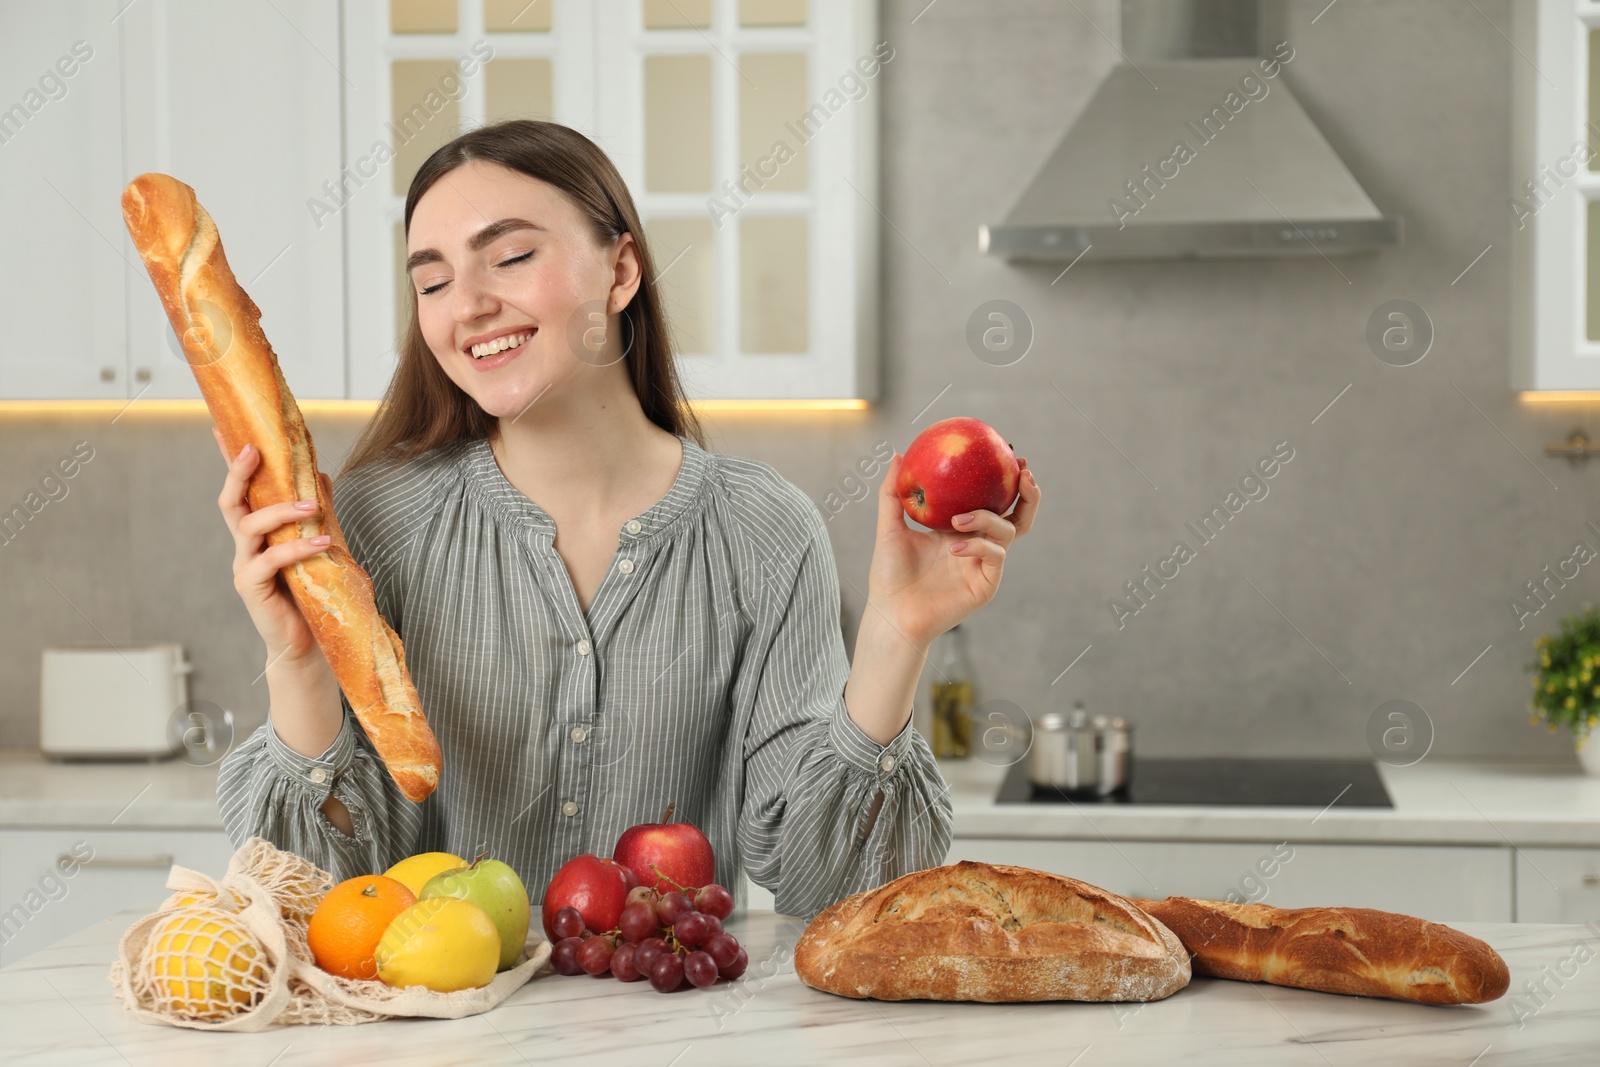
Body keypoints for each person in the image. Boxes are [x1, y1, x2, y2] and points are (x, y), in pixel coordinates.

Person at [214, 120, 1041, 919]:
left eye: (508, 256)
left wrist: (897, 636)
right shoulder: (374, 523)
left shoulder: (763, 529)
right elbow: (315, 888)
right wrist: (296, 663)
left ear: (620, 271)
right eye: (431, 282)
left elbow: (832, 887)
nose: (465, 305)